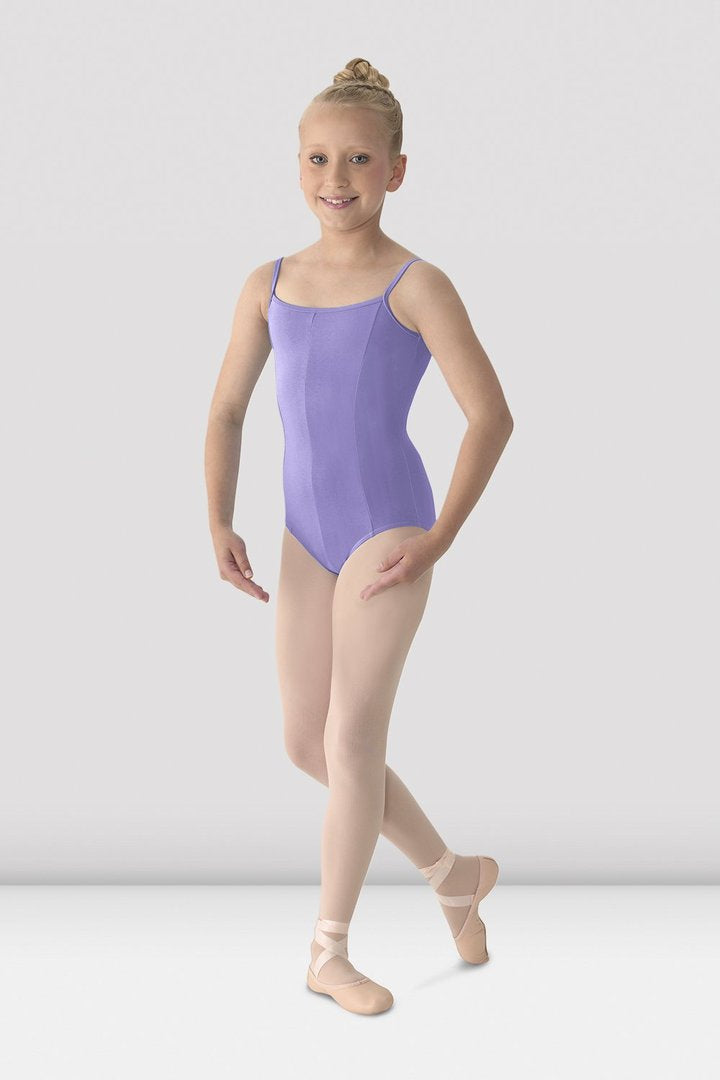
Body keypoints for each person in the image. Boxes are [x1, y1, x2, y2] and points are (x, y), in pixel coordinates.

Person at [204, 57, 514, 1016]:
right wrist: (218, 517)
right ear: (297, 165)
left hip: (389, 529)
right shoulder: (269, 283)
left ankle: (327, 953)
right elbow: (227, 411)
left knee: (351, 737)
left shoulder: (417, 284)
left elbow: (491, 416)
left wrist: (440, 539)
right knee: (309, 743)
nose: (335, 178)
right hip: (305, 535)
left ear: (396, 171)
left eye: (359, 159)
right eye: (317, 158)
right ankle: (455, 876)